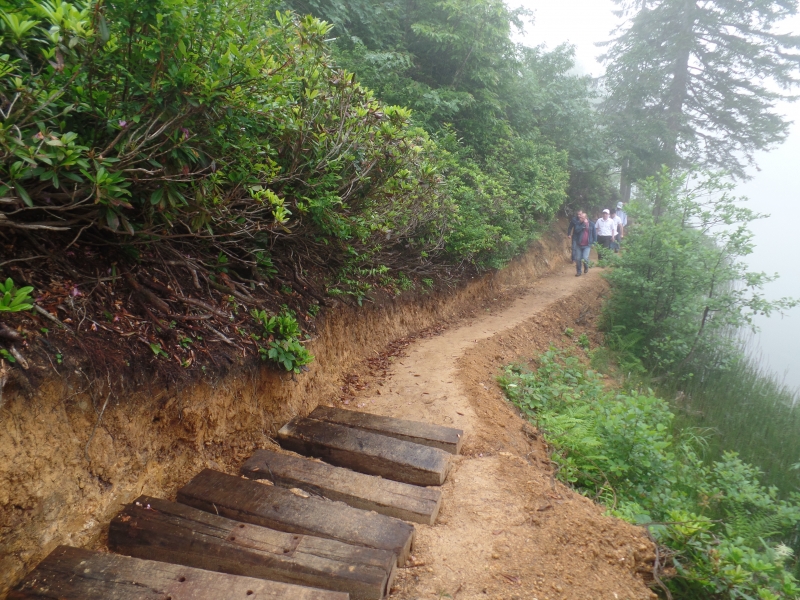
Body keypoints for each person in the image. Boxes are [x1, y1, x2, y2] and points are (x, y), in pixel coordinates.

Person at [572, 212, 595, 276]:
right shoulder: (578, 223)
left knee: (585, 258)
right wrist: (583, 225)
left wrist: (594, 243)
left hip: (587, 245)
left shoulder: (592, 224)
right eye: (580, 217)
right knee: (578, 258)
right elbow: (576, 231)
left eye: (582, 218)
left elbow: (594, 234)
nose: (580, 218)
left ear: (586, 218)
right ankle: (579, 271)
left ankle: (586, 266)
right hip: (579, 244)